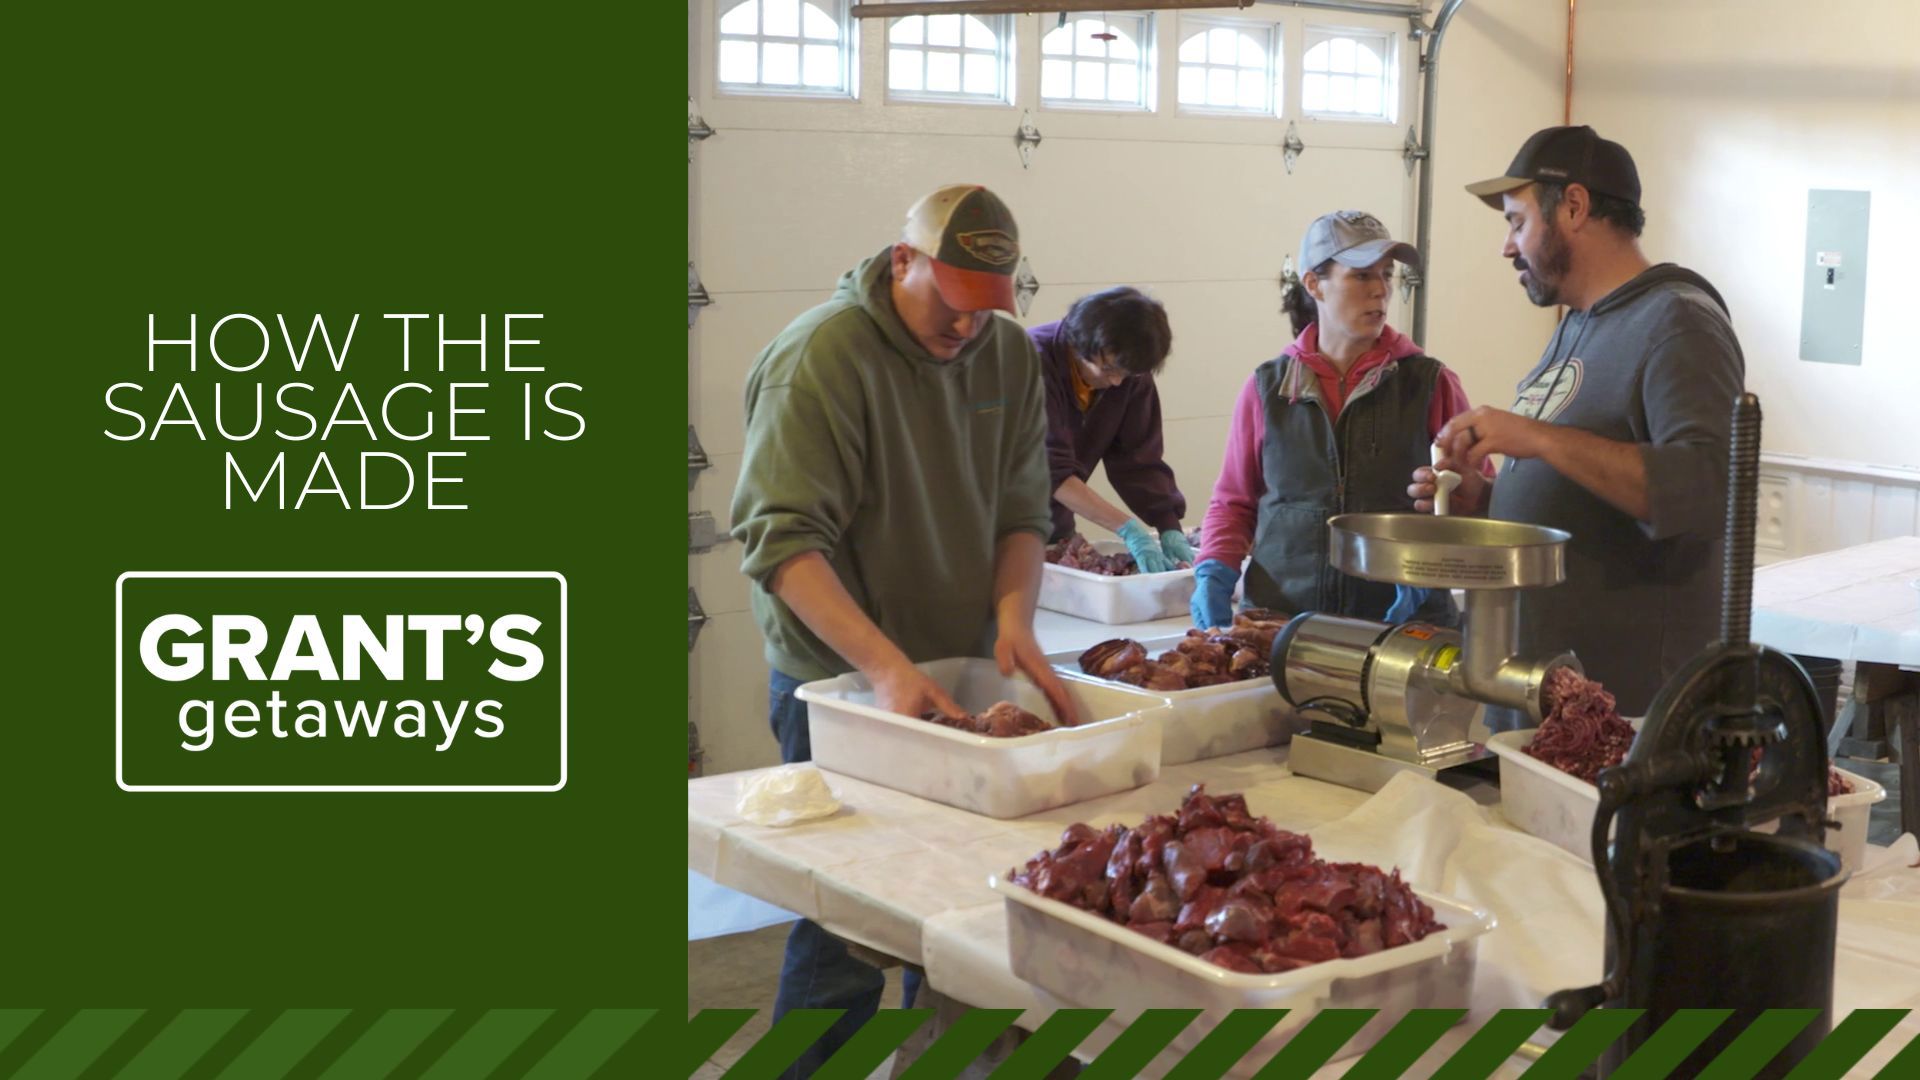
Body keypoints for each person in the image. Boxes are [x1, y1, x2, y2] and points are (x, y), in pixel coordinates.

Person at [729, 183, 1080, 1076]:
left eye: (985, 309)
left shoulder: (1001, 355)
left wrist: (1014, 623)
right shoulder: (820, 360)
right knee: (848, 922)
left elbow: (1020, 510)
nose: (966, 329)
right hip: (841, 684)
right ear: (902, 263)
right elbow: (780, 543)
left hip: (957, 672)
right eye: (951, 304)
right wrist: (884, 671)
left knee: (954, 914)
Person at [1410, 125, 1744, 727]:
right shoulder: (1577, 325)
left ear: (1574, 206)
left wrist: (1538, 437)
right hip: (1545, 699)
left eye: (1516, 222)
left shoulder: (1679, 323)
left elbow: (1701, 492)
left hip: (1631, 719)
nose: (1507, 248)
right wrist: (1482, 500)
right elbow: (1578, 509)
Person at [1192, 210, 1485, 630]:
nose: (1381, 290)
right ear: (1314, 284)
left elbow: (1477, 505)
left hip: (1406, 628)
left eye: (1387, 275)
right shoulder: (1267, 388)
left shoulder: (1430, 383)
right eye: (1363, 276)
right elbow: (1233, 502)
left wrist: (1432, 568)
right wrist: (1214, 572)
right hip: (1284, 625)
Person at [1030, 287, 1191, 572]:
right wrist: (1128, 529)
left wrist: (1168, 525)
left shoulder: (1131, 374)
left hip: (1054, 530)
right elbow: (1049, 468)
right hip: (992, 528)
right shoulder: (1031, 359)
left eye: (1127, 374)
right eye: (1108, 370)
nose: (1117, 382)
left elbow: (1139, 460)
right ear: (1079, 344)